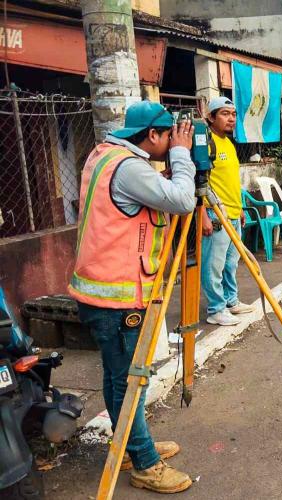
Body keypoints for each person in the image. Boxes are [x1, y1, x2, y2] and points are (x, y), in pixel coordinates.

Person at [68, 101, 195, 493]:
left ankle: (125, 443)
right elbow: (183, 201)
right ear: (152, 135)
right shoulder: (129, 168)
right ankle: (145, 463)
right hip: (118, 299)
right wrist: (182, 156)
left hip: (97, 293)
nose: (174, 140)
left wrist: (168, 169)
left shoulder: (105, 155)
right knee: (130, 381)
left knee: (116, 376)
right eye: (169, 135)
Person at [200, 96, 254, 326]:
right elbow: (197, 182)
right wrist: (203, 215)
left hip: (233, 212)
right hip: (215, 214)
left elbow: (230, 180)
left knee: (231, 263)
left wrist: (240, 208)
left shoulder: (229, 144)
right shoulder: (205, 142)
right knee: (213, 265)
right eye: (224, 113)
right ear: (211, 117)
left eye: (233, 114)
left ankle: (231, 301)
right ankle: (216, 309)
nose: (231, 119)